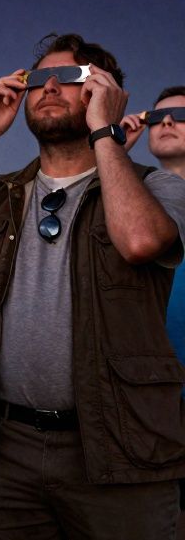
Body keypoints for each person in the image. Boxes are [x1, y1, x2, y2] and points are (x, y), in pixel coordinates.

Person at [0, 35, 185, 540]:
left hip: (120, 446)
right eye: (36, 80)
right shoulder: (0, 194)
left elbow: (139, 241)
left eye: (71, 78)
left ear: (106, 94)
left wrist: (104, 132)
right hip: (5, 448)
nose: (49, 86)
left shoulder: (159, 188)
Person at [123, 85, 185, 366]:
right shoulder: (131, 200)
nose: (167, 122)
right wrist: (113, 150)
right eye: (156, 117)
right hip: (151, 382)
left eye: (180, 115)